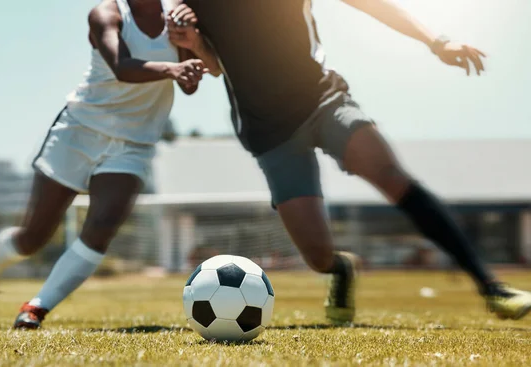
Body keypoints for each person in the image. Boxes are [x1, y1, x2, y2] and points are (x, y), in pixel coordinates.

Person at [167, 0, 531, 325]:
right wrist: (192, 43)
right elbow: (208, 71)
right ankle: (341, 269)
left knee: (390, 175)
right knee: (317, 256)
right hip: (269, 132)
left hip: (323, 101)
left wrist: (437, 42)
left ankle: (492, 288)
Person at [0, 0, 221, 329]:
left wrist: (193, 43)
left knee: (102, 226)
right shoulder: (106, 13)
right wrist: (172, 69)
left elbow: (200, 76)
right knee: (33, 237)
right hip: (79, 132)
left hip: (133, 142)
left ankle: (35, 308)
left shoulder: (178, 14)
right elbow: (121, 66)